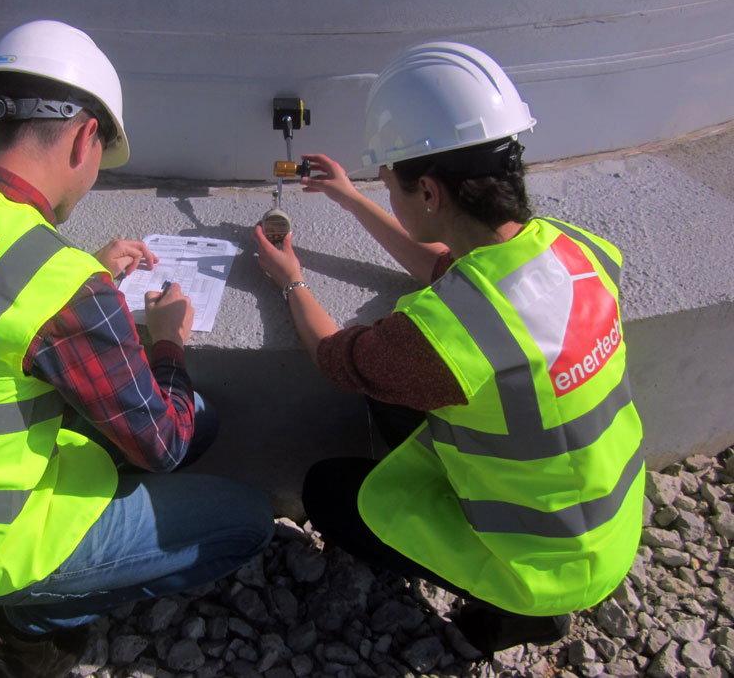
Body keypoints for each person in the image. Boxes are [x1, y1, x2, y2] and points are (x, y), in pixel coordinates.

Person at [0, 20, 273, 678]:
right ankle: (23, 623)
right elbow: (165, 443)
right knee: (246, 515)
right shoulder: (60, 286)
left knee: (194, 419)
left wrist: (77, 283)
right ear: (86, 136)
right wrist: (168, 341)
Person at [254, 42, 644, 655]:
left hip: (541, 564)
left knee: (329, 490)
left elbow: (335, 358)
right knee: (408, 407)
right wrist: (349, 198)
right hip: (608, 520)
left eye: (390, 187)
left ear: (429, 194)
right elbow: (444, 267)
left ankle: (517, 614)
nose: (389, 197)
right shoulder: (577, 251)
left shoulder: (442, 337)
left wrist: (290, 279)